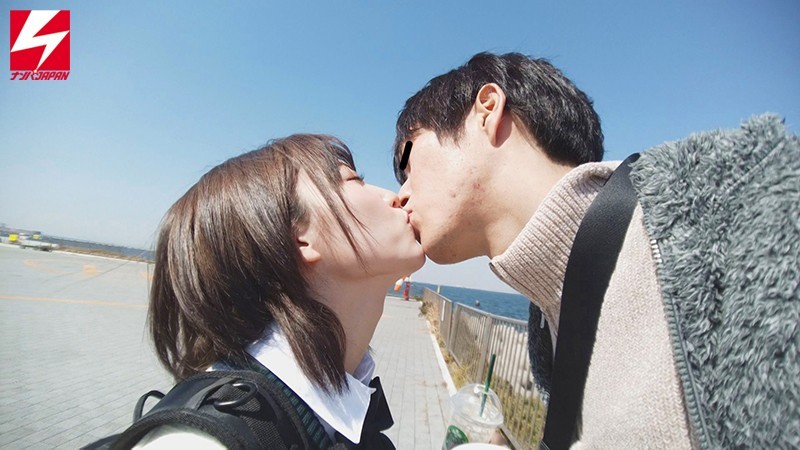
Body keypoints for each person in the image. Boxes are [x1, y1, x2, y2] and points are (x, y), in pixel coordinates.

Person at [392, 52, 799, 449]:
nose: (401, 194)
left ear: (487, 110)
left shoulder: (746, 217)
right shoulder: (550, 313)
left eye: (408, 163)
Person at [141, 134, 425, 448]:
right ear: (301, 238)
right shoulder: (203, 441)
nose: (395, 197)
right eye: (355, 180)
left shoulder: (330, 405)